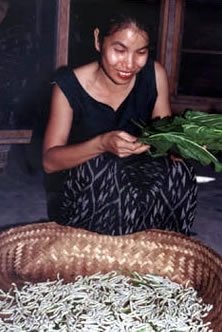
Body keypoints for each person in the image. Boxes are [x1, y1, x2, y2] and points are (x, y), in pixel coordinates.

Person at [43, 4, 197, 236]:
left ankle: (162, 246)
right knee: (107, 168)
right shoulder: (68, 87)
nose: (129, 64)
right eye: (119, 50)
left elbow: (166, 140)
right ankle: (104, 253)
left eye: (141, 52)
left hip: (136, 182)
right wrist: (102, 144)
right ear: (98, 40)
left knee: (179, 172)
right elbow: (49, 162)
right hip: (82, 191)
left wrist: (185, 144)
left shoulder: (154, 75)